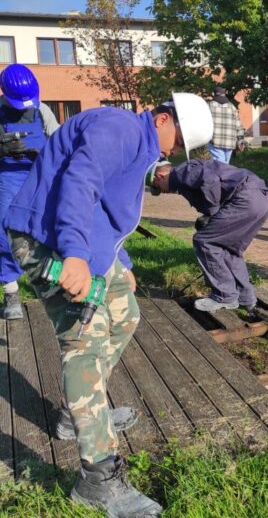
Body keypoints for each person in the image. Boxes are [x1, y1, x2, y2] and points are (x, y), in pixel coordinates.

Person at [4, 92, 213, 516]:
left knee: (125, 314)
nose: (174, 152)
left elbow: (104, 206)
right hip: (48, 242)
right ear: (161, 119)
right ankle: (97, 478)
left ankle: (77, 409)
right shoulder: (119, 128)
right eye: (178, 140)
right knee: (84, 342)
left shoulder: (136, 142)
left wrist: (121, 259)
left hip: (80, 243)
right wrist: (77, 255)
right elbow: (81, 182)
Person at [151, 159, 268, 312]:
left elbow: (210, 180)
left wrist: (213, 214)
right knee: (230, 249)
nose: (163, 192)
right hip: (261, 199)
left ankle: (225, 295)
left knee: (204, 241)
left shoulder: (182, 172)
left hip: (245, 199)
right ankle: (245, 298)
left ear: (160, 176)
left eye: (158, 187)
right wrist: (210, 215)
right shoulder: (182, 180)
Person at [0, 63, 59, 319]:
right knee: (3, 232)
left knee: (47, 228)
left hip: (39, 177)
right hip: (7, 178)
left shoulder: (42, 110)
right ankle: (11, 292)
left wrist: (43, 154)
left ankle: (52, 284)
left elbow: (59, 143)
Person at [207, 86, 245, 163]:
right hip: (230, 142)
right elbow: (239, 126)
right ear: (224, 94)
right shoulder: (232, 107)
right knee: (225, 166)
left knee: (220, 167)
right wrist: (240, 141)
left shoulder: (209, 106)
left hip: (215, 141)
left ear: (214, 94)